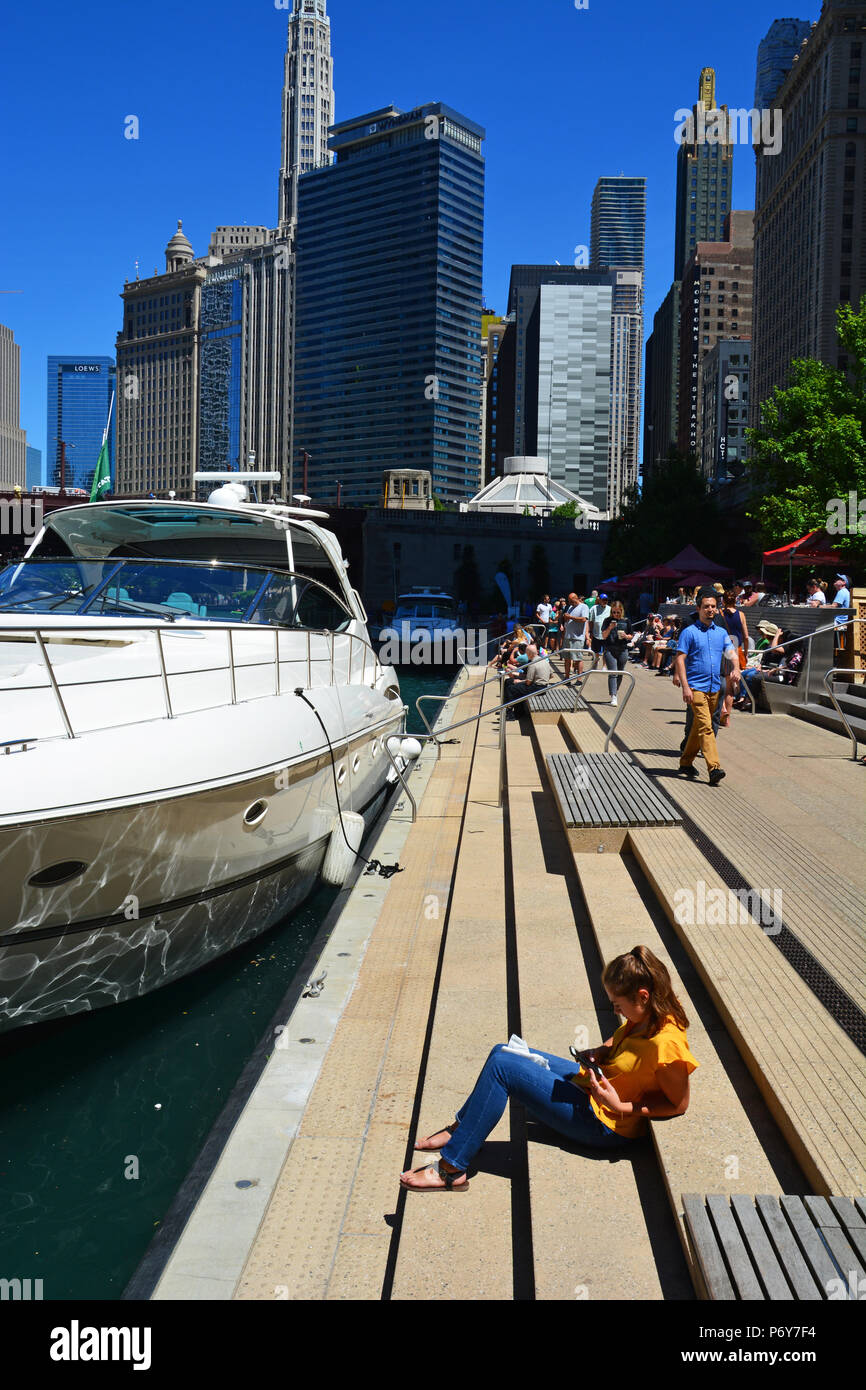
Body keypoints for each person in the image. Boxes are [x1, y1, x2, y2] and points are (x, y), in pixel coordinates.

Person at [400, 946, 699, 1191]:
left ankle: (451, 1169)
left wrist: (619, 1104)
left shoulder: (667, 1046)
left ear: (643, 996)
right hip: (592, 1086)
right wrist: (601, 1050)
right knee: (501, 1051)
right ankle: (461, 1131)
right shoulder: (648, 1014)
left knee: (503, 1068)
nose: (615, 1012)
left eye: (618, 1005)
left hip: (603, 1123)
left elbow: (678, 1104)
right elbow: (625, 1039)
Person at [674, 589, 740, 785]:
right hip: (696, 687)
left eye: (713, 606)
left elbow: (731, 653)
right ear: (698, 609)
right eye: (706, 607)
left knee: (698, 728)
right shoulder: (689, 632)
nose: (710, 610)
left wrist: (736, 668)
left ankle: (686, 763)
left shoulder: (721, 633)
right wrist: (685, 687)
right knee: (706, 726)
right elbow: (680, 658)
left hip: (714, 687)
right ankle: (714, 768)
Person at [502, 642, 551, 719]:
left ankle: (511, 713)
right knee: (509, 681)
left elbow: (528, 682)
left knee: (512, 689)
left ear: (529, 653)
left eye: (526, 653)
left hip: (537, 687)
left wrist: (519, 681)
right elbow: (551, 675)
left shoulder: (533, 663)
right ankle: (506, 708)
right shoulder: (544, 660)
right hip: (543, 686)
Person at [601, 600, 634, 706]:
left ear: (621, 611)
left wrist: (626, 636)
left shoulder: (626, 621)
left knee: (620, 673)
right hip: (610, 649)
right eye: (614, 612)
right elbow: (604, 636)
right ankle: (613, 696)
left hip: (623, 649)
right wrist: (610, 628)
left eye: (618, 612)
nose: (616, 614)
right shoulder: (607, 621)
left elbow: (631, 636)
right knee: (613, 673)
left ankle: (615, 692)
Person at [562, 592, 590, 679]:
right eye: (569, 601)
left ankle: (579, 678)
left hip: (577, 637)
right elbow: (568, 619)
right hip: (568, 636)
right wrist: (565, 617)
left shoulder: (584, 607)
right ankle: (567, 678)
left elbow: (583, 619)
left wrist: (570, 617)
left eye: (571, 601)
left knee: (578, 659)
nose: (569, 603)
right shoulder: (570, 607)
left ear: (576, 598)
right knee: (567, 659)